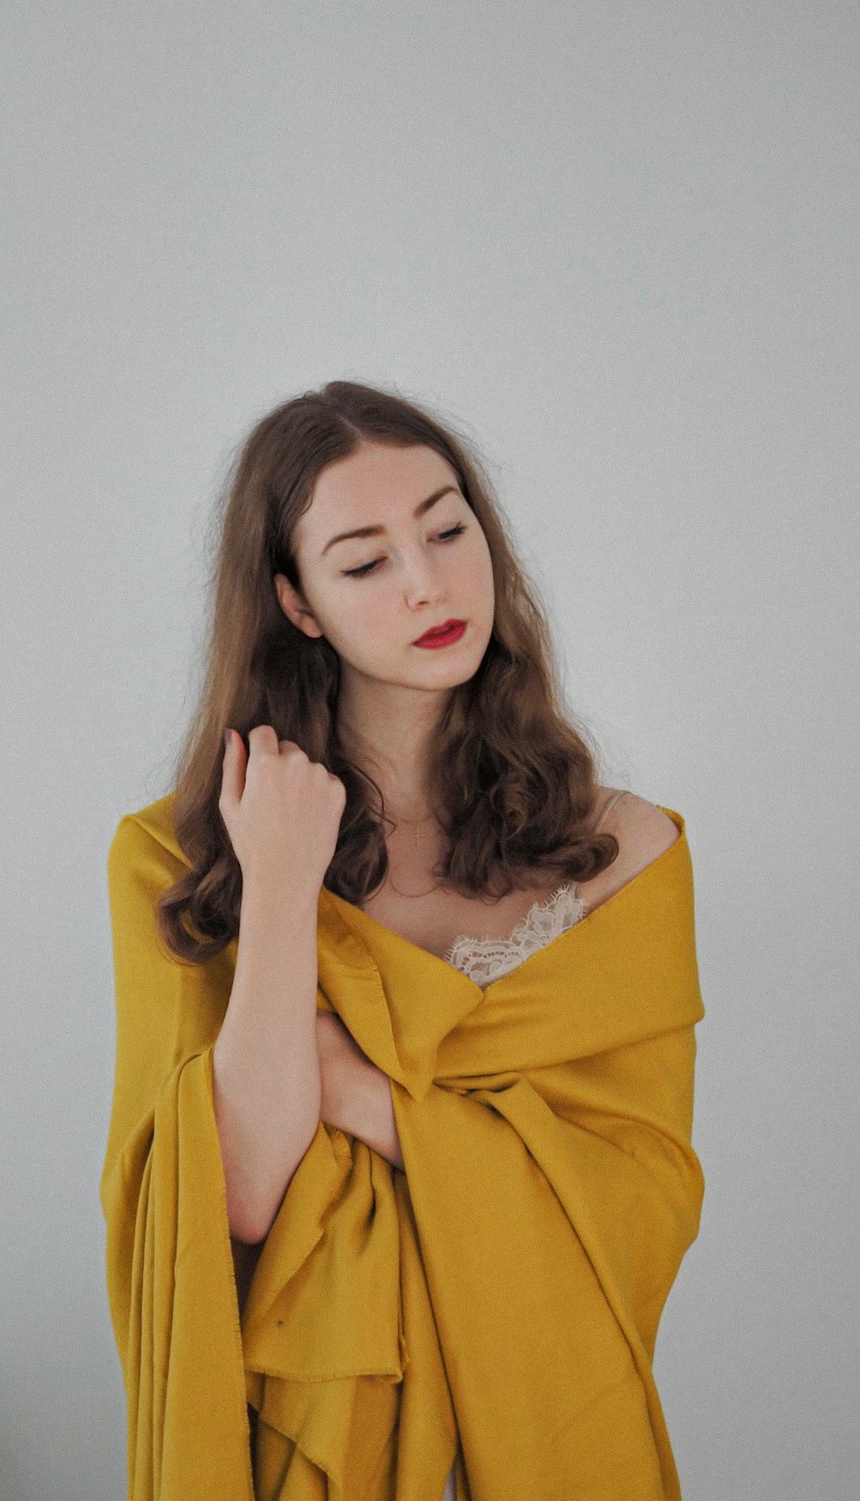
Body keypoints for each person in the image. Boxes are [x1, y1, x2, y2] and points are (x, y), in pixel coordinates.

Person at [100, 379, 706, 1501]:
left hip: (540, 1433)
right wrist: (279, 884)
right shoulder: (178, 861)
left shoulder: (628, 854)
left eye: (446, 526)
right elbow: (228, 1195)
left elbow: (638, 1202)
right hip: (302, 1437)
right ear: (297, 601)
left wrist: (368, 1098)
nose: (429, 581)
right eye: (365, 559)